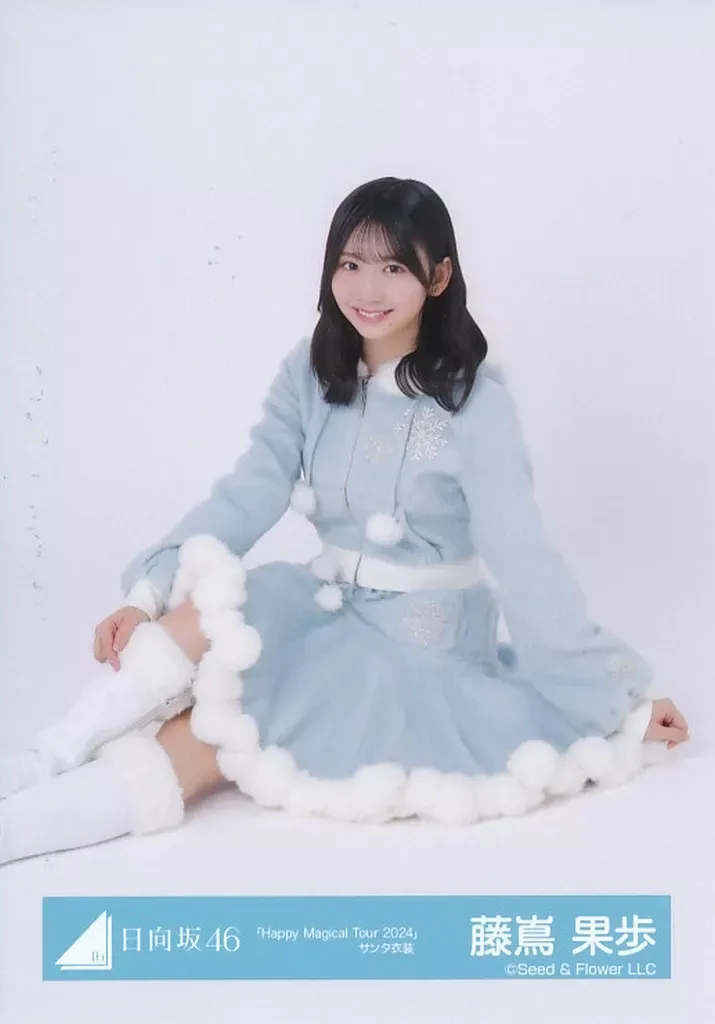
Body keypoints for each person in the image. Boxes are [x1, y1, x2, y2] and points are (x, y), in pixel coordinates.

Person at [0, 176, 690, 866]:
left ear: (438, 277)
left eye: (393, 268)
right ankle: (40, 761)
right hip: (321, 609)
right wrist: (146, 592)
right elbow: (248, 494)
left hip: (415, 651)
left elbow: (524, 561)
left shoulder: (476, 408)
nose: (367, 289)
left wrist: (616, 701)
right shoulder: (309, 376)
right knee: (205, 614)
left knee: (207, 736)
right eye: (350, 264)